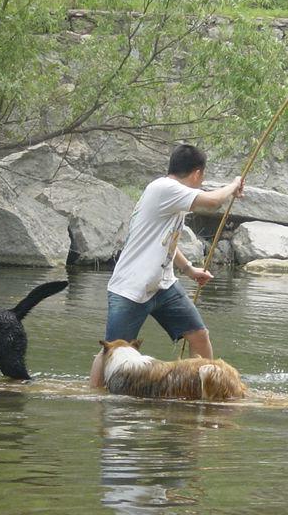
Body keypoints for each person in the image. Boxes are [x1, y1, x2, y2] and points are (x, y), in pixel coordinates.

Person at [89, 144, 244, 388]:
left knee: (199, 335)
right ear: (197, 174)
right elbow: (213, 201)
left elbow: (167, 242)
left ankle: (204, 389)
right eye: (201, 178)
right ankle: (94, 395)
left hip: (163, 285)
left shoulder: (169, 195)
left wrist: (189, 270)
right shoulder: (164, 188)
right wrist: (234, 185)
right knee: (113, 348)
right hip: (131, 287)